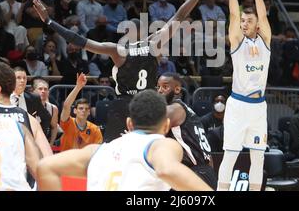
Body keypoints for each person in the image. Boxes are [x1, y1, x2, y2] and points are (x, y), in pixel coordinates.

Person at [32, 0, 223, 139]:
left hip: (124, 105)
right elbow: (180, 14)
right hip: (149, 102)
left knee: (115, 153)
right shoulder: (154, 43)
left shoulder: (118, 50)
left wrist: (49, 21)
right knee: (153, 149)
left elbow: (79, 41)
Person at [37, 90, 213, 191]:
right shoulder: (161, 145)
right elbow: (167, 170)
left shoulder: (97, 150)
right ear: (166, 126)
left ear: (129, 123)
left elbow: (45, 167)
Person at [217, 0, 271, 191]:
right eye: (243, 21)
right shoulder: (238, 43)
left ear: (258, 26)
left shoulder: (265, 41)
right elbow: (232, 14)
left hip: (259, 108)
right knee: (230, 155)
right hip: (238, 106)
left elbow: (264, 16)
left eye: (249, 20)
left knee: (258, 157)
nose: (244, 23)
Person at [157, 73, 216, 189]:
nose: (160, 90)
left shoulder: (174, 109)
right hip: (205, 171)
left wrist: (134, 135)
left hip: (195, 173)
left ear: (177, 89)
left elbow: (151, 129)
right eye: (158, 87)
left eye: (165, 87)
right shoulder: (186, 110)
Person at [59, 73, 103, 151]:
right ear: (75, 111)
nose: (84, 111)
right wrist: (78, 87)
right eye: (81, 108)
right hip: (67, 161)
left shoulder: (95, 129)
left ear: (89, 112)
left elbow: (98, 151)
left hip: (84, 162)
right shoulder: (68, 123)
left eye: (86, 109)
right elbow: (66, 106)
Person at [11, 67, 53, 137]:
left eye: (24, 78)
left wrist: (38, 135)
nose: (22, 80)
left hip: (27, 139)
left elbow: (46, 117)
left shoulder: (34, 98)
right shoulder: (3, 97)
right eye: (18, 78)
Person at [32, 78, 59, 146]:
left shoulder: (53, 108)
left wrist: (51, 143)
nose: (43, 91)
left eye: (45, 89)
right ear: (33, 91)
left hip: (44, 142)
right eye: (40, 89)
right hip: (30, 141)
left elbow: (54, 127)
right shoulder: (26, 105)